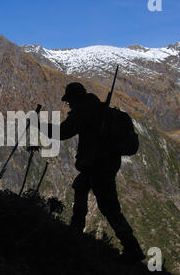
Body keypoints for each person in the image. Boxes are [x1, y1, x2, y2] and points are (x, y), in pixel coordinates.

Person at [41, 82, 145, 262]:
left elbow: (62, 132)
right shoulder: (102, 111)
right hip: (106, 165)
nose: (69, 105)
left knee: (108, 207)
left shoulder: (83, 112)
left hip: (96, 165)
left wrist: (39, 125)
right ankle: (76, 231)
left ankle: (131, 247)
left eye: (69, 101)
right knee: (82, 188)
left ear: (75, 98)